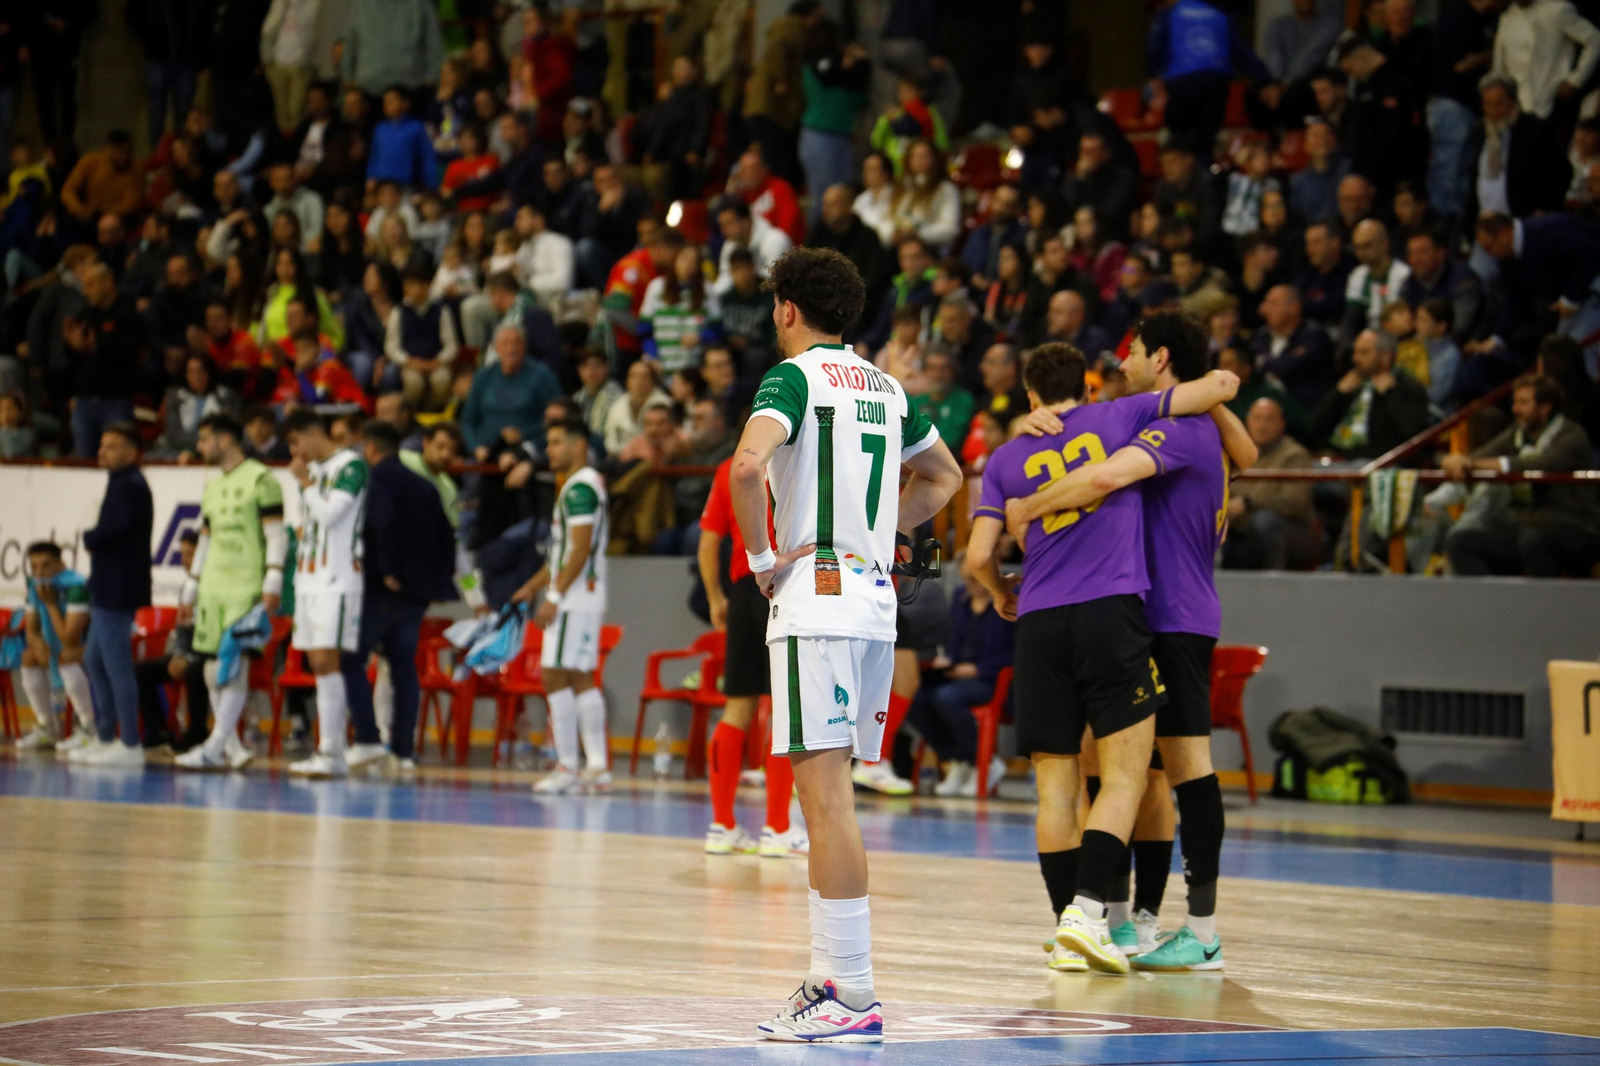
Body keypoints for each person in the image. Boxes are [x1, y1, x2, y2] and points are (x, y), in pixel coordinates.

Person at [731, 247, 963, 1041]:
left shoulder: (791, 379)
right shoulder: (889, 389)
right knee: (839, 798)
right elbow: (946, 478)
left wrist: (763, 561)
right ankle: (841, 983)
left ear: (788, 310)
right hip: (871, 601)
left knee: (821, 799)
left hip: (816, 602)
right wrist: (879, 533)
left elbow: (743, 467)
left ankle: (848, 990)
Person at [962, 341, 1239, 976]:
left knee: (1054, 788)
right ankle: (1094, 915)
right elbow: (1215, 388)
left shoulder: (1006, 456)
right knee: (1126, 777)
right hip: (1111, 612)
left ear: (1030, 397)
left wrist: (1003, 592)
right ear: (1086, 387)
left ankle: (1070, 931)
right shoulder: (1119, 416)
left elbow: (978, 557)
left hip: (1037, 621)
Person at [699, 455, 807, 857]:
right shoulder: (800, 457)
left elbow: (708, 541)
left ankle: (722, 825)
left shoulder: (729, 465)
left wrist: (714, 598)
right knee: (786, 710)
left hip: (744, 589)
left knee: (737, 707)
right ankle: (777, 828)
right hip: (786, 584)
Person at [342, 421, 457, 773]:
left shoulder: (376, 482)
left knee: (349, 659)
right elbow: (447, 538)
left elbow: (386, 523)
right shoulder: (425, 486)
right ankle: (404, 751)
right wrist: (437, 582)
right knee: (403, 666)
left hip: (381, 589)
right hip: (416, 596)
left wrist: (391, 570)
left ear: (371, 449)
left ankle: (367, 738)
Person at [174, 415, 288, 771]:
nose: (200, 447)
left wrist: (272, 580)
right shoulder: (212, 487)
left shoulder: (261, 479)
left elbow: (276, 535)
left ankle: (214, 746)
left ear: (226, 439)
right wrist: (191, 589)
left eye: (205, 439)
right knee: (209, 669)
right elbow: (205, 540)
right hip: (213, 587)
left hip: (245, 585)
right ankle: (233, 747)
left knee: (232, 665)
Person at [511, 418, 614, 794]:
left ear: (579, 444)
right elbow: (562, 554)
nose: (549, 451)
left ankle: (569, 767)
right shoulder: (583, 485)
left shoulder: (578, 489)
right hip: (581, 595)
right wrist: (531, 586)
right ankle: (597, 767)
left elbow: (580, 548)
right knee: (580, 677)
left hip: (574, 598)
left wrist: (552, 597)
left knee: (554, 675)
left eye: (556, 442)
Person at [1443, 374, 1600, 575]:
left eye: (1524, 403)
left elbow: (1540, 464)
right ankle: (1490, 605)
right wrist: (1456, 460)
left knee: (1534, 541)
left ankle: (1544, 605)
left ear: (1545, 407)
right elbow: (1479, 456)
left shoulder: (1572, 436)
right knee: (1460, 541)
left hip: (1575, 529)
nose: (1515, 409)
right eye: (1515, 402)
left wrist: (1472, 464)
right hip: (1525, 527)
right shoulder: (1517, 433)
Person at [284, 409, 368, 777]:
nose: (295, 452)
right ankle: (330, 749)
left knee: (326, 660)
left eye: (296, 442)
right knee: (316, 662)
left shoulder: (351, 466)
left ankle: (331, 749)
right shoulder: (314, 473)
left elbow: (331, 514)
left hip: (337, 579)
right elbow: (302, 523)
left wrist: (304, 483)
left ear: (313, 433)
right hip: (308, 578)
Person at [76, 424, 156, 765]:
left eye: (111, 446)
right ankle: (107, 735)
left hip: (118, 586)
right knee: (94, 660)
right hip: (107, 583)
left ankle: (130, 742)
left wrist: (90, 537)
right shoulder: (120, 483)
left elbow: (117, 528)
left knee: (116, 664)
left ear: (131, 451)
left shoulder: (132, 486)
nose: (102, 451)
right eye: (101, 445)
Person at [914, 570, 1014, 797]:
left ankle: (982, 763)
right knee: (916, 697)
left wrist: (978, 669)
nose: (973, 584)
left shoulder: (1008, 600)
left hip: (992, 679)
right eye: (968, 579)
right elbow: (950, 638)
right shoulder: (960, 598)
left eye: (977, 578)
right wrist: (946, 658)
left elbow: (1017, 651)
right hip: (956, 674)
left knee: (946, 698)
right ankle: (961, 759)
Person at [12, 542, 97, 757]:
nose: (40, 573)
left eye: (46, 566)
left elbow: (69, 639)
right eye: (35, 567)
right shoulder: (35, 586)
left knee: (66, 656)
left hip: (100, 646)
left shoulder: (76, 586)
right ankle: (47, 727)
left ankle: (90, 728)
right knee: (29, 657)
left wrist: (49, 604)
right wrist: (37, 642)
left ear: (62, 564)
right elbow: (32, 630)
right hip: (70, 648)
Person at [1223, 396, 1321, 570]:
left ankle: (1275, 582)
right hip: (1243, 533)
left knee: (1264, 521)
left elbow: (1295, 501)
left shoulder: (1295, 456)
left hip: (1294, 534)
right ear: (1247, 423)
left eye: (1269, 419)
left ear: (1281, 424)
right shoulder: (1236, 455)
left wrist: (1248, 502)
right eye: (1257, 418)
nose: (1262, 425)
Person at [1311, 328, 1432, 461]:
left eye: (1364, 352)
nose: (1355, 358)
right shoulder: (1351, 383)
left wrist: (1389, 394)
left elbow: (1413, 433)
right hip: (1338, 457)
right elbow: (1314, 428)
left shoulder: (1406, 386)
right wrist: (1338, 393)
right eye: (1355, 352)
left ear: (1385, 357)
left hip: (1380, 463)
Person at [1469, 74, 1572, 218]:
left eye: (1499, 103)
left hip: (1522, 222)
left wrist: (1543, 209)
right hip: (1486, 221)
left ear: (1513, 101)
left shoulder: (1534, 130)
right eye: (1488, 104)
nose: (1493, 111)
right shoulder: (1480, 133)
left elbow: (1562, 173)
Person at [461, 325, 563, 460]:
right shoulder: (483, 376)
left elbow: (557, 418)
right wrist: (475, 447)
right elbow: (468, 420)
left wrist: (524, 433)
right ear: (496, 348)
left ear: (525, 347)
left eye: (516, 343)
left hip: (528, 452)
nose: (511, 349)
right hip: (485, 453)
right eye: (505, 343)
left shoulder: (542, 376)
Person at [1490, 0, 1600, 120]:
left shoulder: (1557, 10)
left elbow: (1595, 39)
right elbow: (1499, 62)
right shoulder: (1507, 17)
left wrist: (1576, 80)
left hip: (1550, 99)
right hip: (1515, 105)